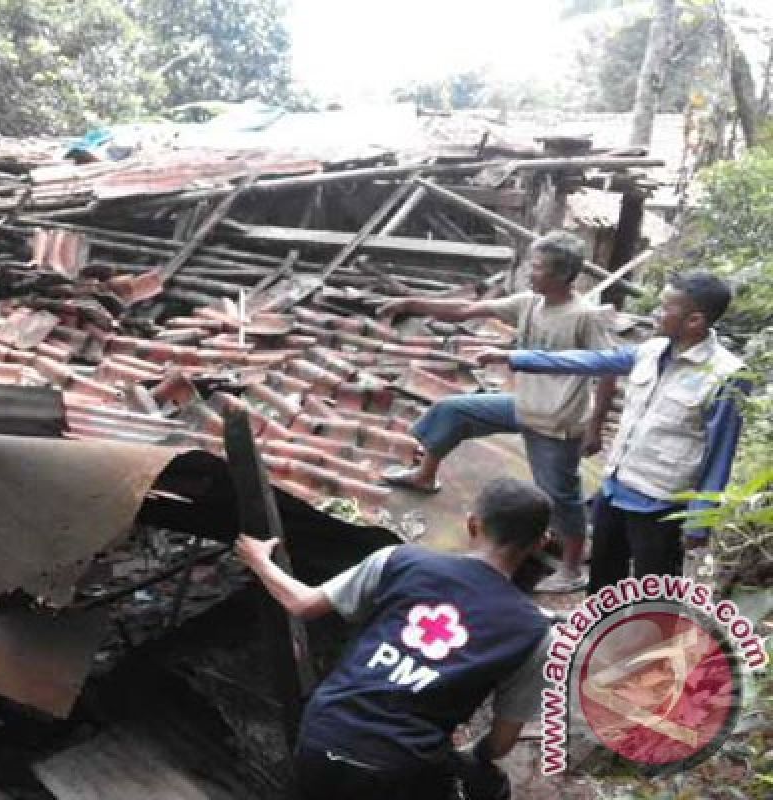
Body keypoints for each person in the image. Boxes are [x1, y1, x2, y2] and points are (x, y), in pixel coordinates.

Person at [235, 478, 554, 800]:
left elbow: (302, 604)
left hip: (323, 733)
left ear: (473, 524)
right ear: (541, 543)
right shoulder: (534, 633)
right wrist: (470, 754)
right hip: (401, 767)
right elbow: (499, 745)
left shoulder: (399, 561)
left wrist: (259, 560)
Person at [476, 271, 746, 592]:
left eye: (665, 308)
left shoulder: (725, 375)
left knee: (654, 589)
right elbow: (591, 360)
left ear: (694, 321)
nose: (656, 314)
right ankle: (595, 634)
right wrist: (516, 358)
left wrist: (700, 520)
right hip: (617, 487)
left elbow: (720, 454)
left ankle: (648, 642)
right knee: (604, 578)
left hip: (661, 503)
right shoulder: (652, 350)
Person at [378, 230, 618, 592]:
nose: (529, 273)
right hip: (524, 405)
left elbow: (608, 371)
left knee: (560, 496)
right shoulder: (529, 303)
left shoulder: (584, 317)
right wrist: (411, 303)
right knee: (453, 411)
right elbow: (465, 309)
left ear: (561, 274)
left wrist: (595, 427)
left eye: (536, 267)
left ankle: (571, 570)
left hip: (558, 420)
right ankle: (424, 477)